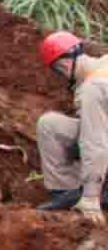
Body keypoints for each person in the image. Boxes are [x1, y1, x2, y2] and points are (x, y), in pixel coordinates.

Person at [35, 31, 108, 225]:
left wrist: (91, 197)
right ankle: (68, 195)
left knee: (90, 138)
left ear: (64, 65)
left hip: (102, 147)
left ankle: (88, 197)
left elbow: (95, 142)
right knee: (50, 125)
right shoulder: (103, 65)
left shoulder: (93, 88)